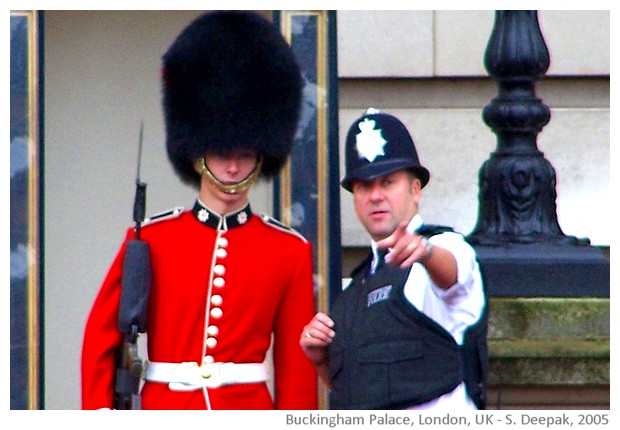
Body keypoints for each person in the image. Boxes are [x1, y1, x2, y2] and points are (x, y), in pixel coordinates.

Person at [82, 11, 318, 410]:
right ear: (197, 156)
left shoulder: (289, 251)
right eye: (222, 152)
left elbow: (296, 372)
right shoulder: (150, 238)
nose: (232, 167)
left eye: (244, 155)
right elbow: (100, 337)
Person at [300, 108, 488, 410]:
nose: (375, 195)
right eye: (364, 186)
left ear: (415, 189)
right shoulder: (357, 286)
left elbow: (453, 273)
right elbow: (356, 390)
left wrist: (425, 252)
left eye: (388, 182)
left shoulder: (444, 247)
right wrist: (321, 358)